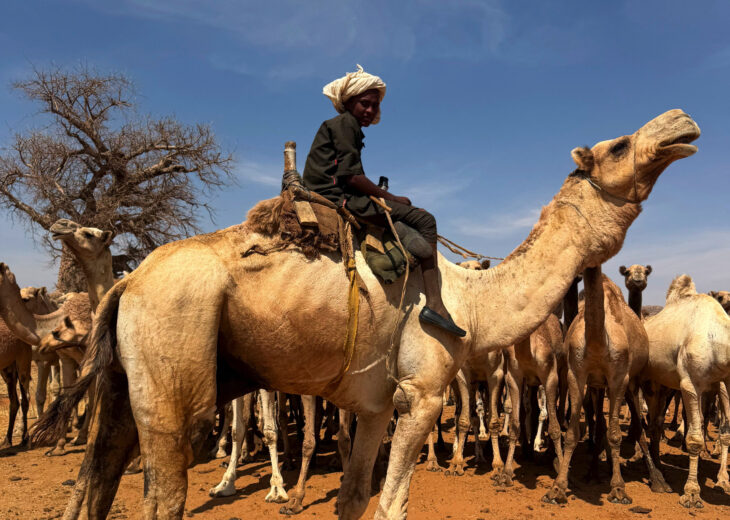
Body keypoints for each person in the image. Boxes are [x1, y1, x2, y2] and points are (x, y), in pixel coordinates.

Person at [302, 65, 466, 338]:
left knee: (403, 214)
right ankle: (435, 304)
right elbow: (352, 177)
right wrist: (391, 198)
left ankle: (409, 252)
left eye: (374, 105)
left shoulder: (343, 126)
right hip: (336, 198)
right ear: (349, 102)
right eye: (364, 104)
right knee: (425, 219)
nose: (369, 110)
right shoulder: (346, 124)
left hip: (335, 192)